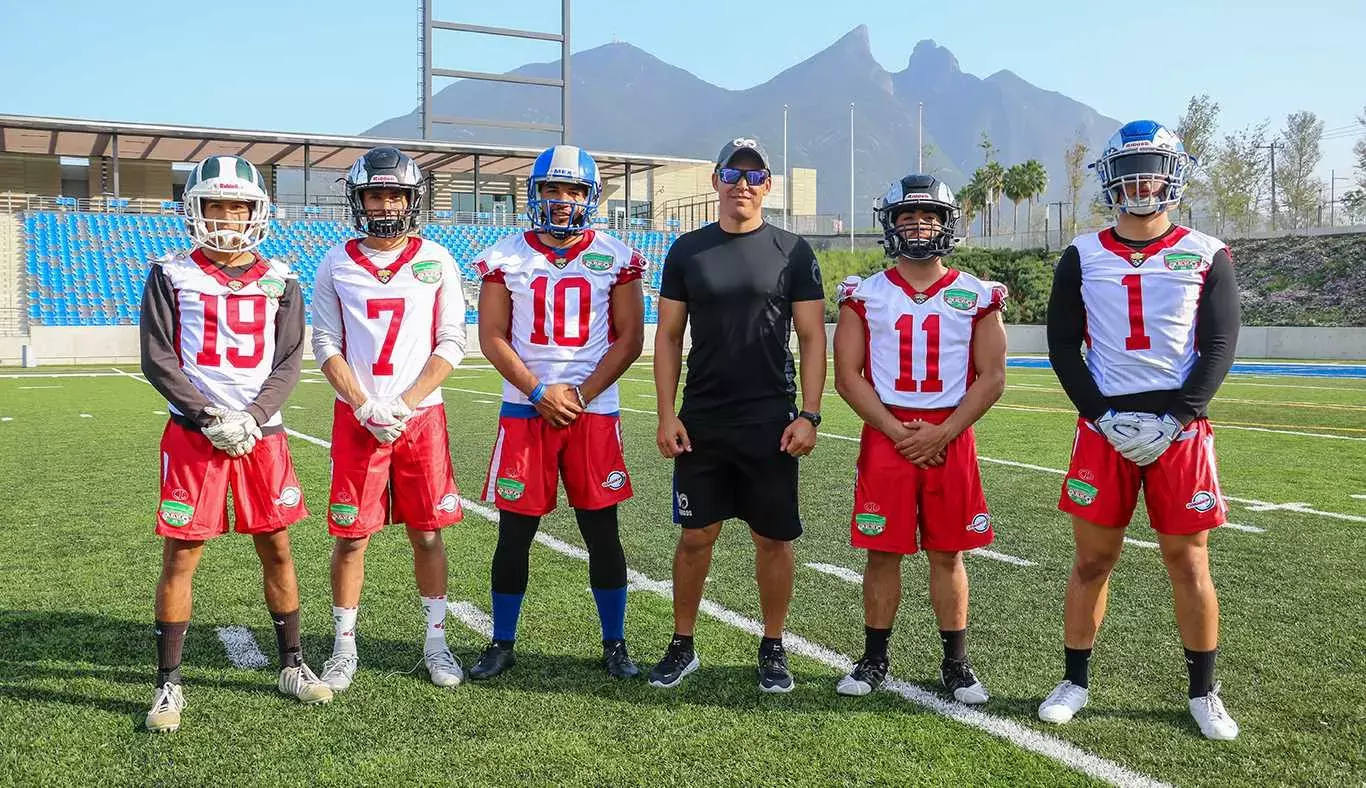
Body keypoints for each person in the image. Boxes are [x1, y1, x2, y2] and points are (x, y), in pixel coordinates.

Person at [1039, 120, 1241, 740]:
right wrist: (1102, 415)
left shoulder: (1207, 252)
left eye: (1150, 168)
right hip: (1105, 426)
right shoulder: (1082, 253)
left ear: (1172, 175)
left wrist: (1178, 417)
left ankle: (1204, 692)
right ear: (1110, 180)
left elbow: (1218, 344)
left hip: (1180, 431)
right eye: (1128, 170)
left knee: (1188, 561)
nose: (1140, 181)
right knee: (1093, 560)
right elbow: (1062, 347)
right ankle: (1075, 679)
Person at [140, 155, 330, 732]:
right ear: (194, 209)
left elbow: (290, 358)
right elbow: (157, 357)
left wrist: (252, 415)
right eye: (217, 205)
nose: (228, 217)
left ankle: (293, 663)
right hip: (195, 435)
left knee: (277, 547)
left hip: (261, 436)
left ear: (257, 212)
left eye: (240, 206)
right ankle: (168, 683)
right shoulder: (170, 272)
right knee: (182, 554)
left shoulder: (282, 276)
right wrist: (206, 415)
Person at [649, 137, 826, 693]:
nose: (742, 184)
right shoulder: (686, 251)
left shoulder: (793, 251)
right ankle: (682, 645)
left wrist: (811, 415)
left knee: (773, 540)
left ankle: (773, 647)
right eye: (733, 173)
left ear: (768, 185)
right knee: (695, 536)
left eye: (754, 175)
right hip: (703, 419)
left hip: (771, 420)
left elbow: (813, 338)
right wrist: (665, 413)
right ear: (715, 180)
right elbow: (670, 338)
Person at [469, 145, 646, 680]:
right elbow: (492, 336)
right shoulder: (506, 254)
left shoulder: (617, 254)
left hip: (592, 412)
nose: (562, 201)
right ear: (535, 193)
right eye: (552, 189)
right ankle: (502, 641)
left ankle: (615, 642)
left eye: (572, 191)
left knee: (602, 532)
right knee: (514, 533)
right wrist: (537, 391)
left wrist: (581, 395)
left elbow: (630, 339)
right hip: (527, 412)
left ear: (590, 197)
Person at [831, 174, 1007, 703]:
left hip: (950, 433)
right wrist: (894, 431)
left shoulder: (977, 294)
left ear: (946, 223)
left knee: (948, 554)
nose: (917, 225)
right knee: (882, 552)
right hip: (888, 434)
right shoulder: (865, 294)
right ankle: (873, 659)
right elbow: (847, 375)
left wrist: (944, 431)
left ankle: (957, 664)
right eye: (907, 217)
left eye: (928, 215)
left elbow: (993, 377)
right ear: (890, 226)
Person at [310, 146, 468, 692]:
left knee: (427, 535)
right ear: (360, 199)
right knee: (352, 539)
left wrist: (403, 402)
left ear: (412, 199)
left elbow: (452, 343)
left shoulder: (438, 259)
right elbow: (325, 342)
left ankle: (436, 641)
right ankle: (343, 647)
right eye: (375, 194)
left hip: (420, 418)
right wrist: (363, 402)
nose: (385, 205)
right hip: (358, 419)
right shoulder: (336, 261)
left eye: (395, 194)